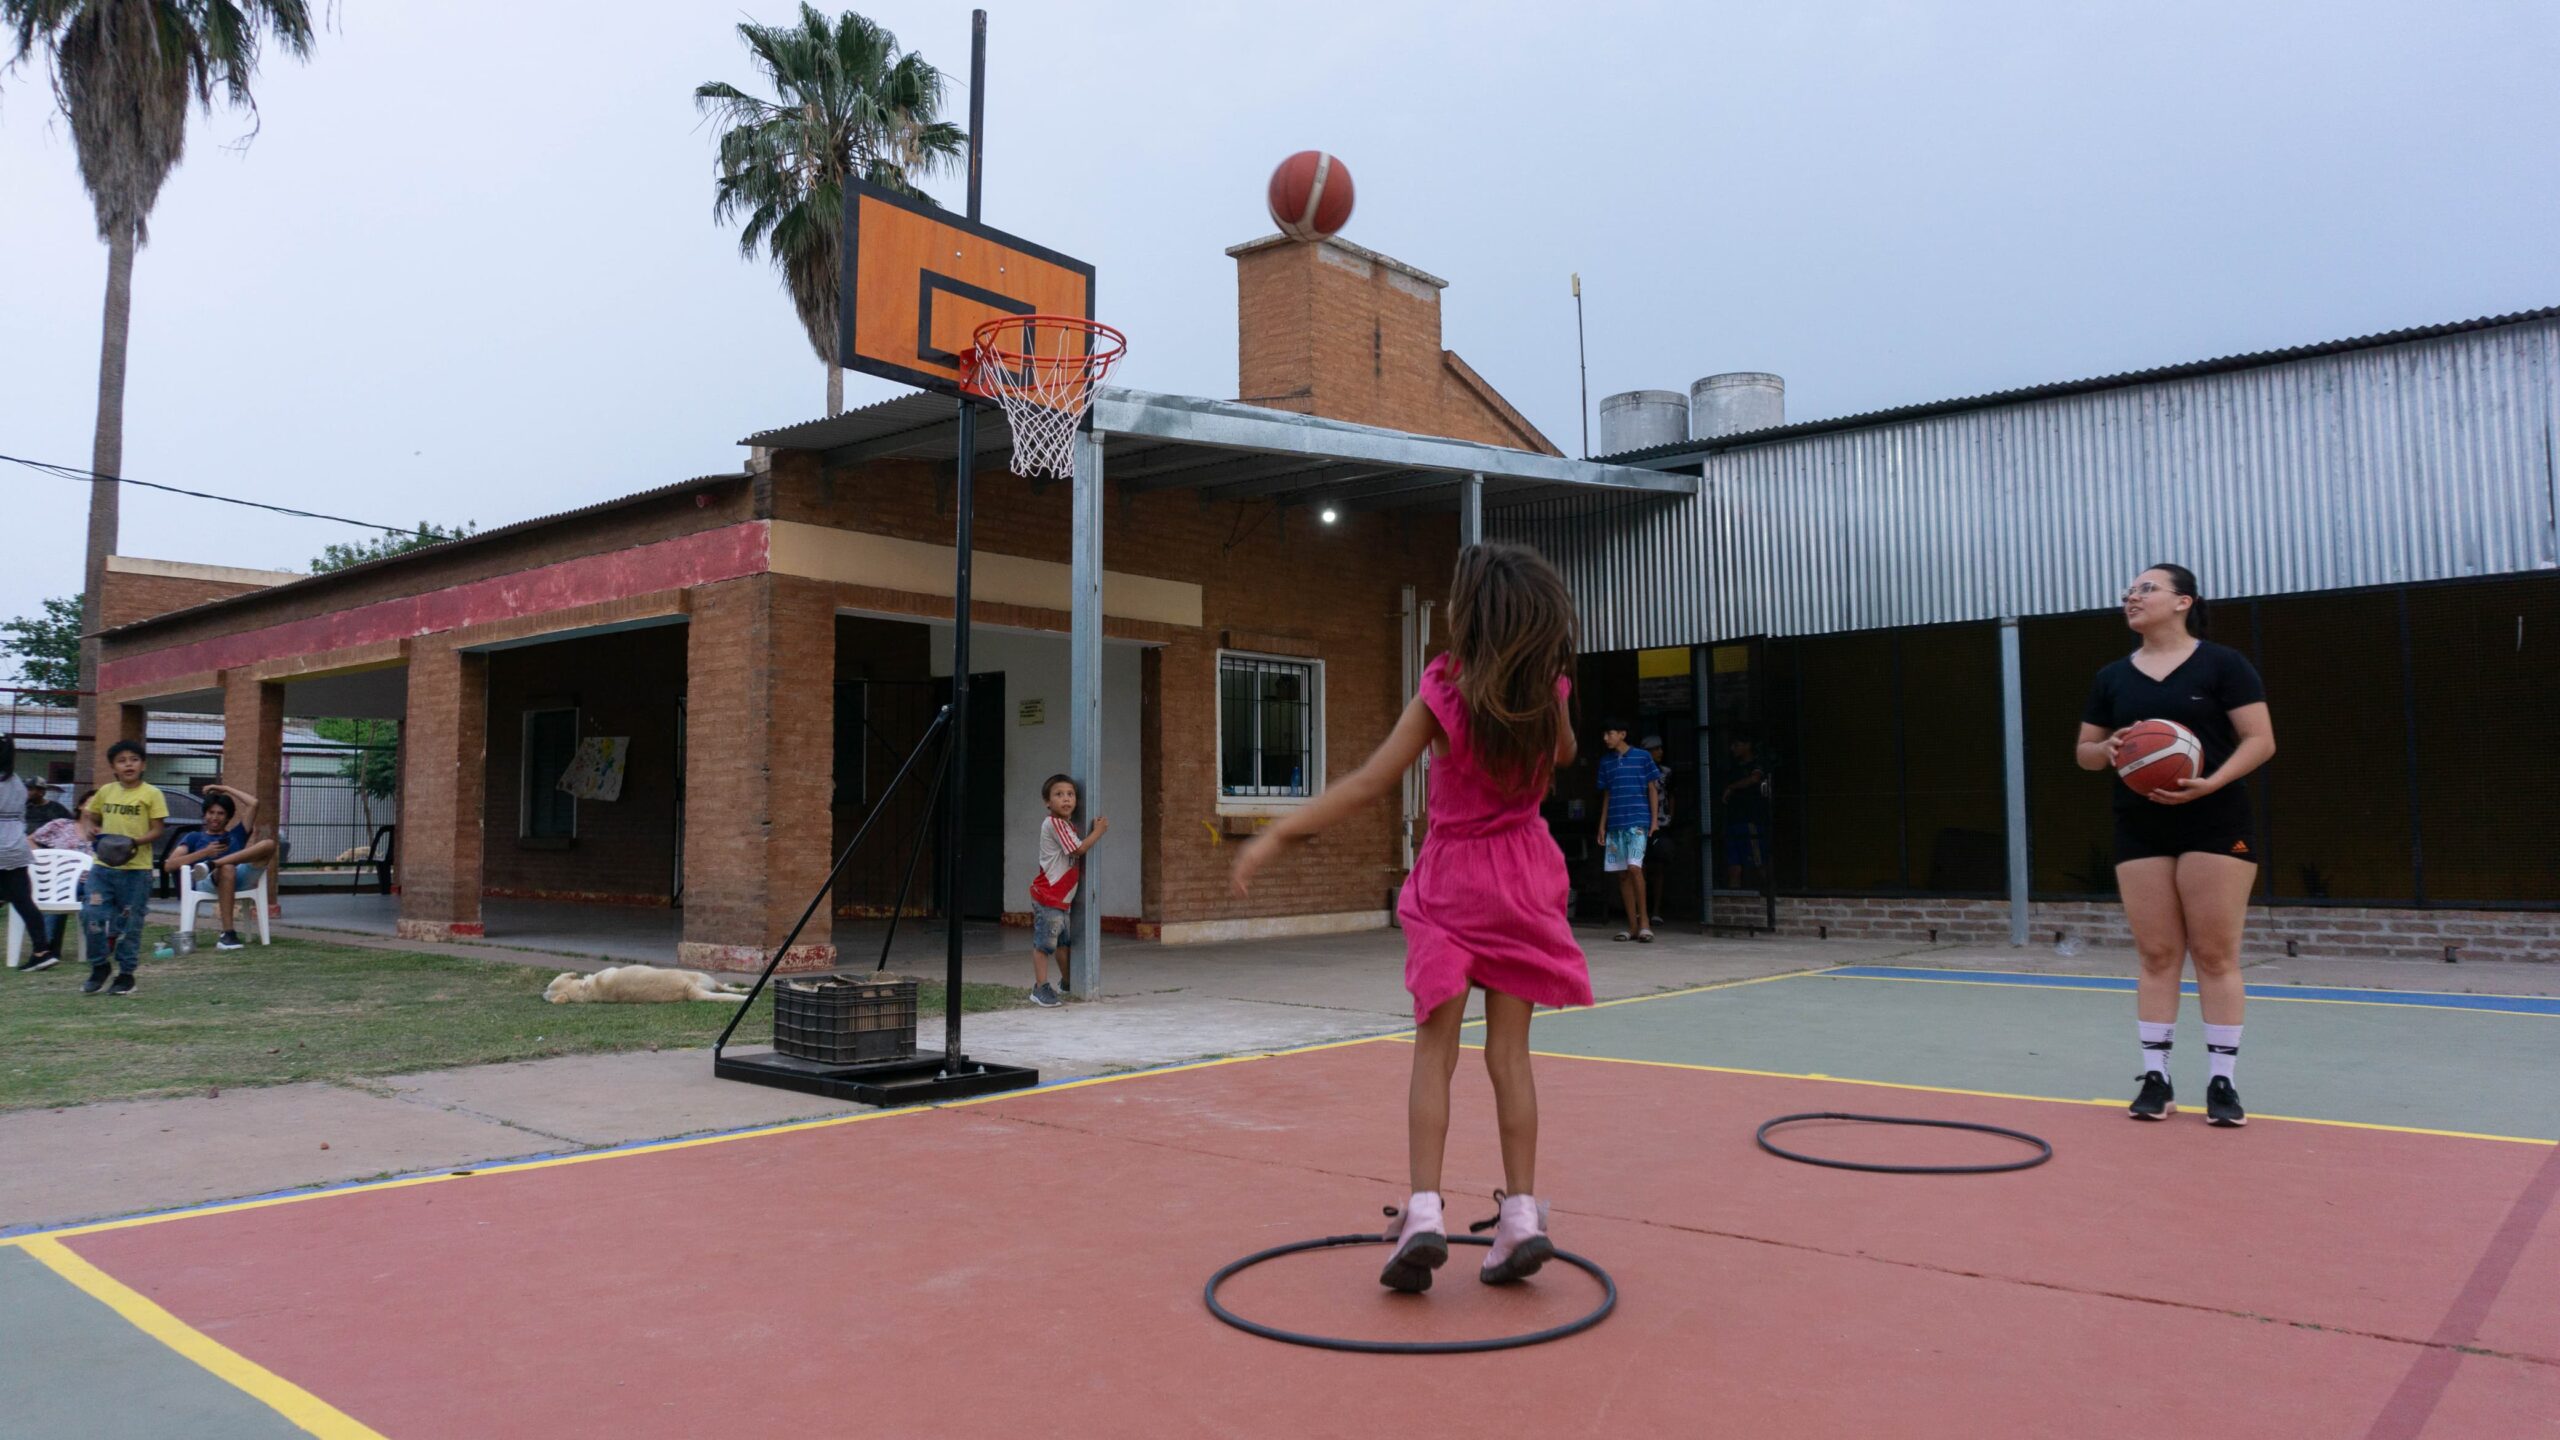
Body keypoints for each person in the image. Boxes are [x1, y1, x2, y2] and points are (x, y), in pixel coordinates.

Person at [1233, 541, 1590, 1292]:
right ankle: (1521, 1214)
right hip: (1524, 878)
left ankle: (1424, 1211)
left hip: (1456, 880)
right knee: (1511, 1057)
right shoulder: (1544, 691)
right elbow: (1564, 755)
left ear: (1473, 615)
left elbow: (1370, 781)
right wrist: (1551, 703)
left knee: (1435, 1051)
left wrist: (1278, 834)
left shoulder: (1447, 689)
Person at [2076, 563, 2276, 1128]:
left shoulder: (2223, 664)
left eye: (2145, 589)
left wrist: (2214, 780)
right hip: (2140, 825)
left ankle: (2223, 1082)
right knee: (2158, 954)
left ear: (2183, 601)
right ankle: (2156, 1078)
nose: (2131, 597)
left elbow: (2261, 739)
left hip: (2214, 819)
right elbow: (2086, 753)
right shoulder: (2113, 676)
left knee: (2215, 954)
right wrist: (2109, 747)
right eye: (2128, 591)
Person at [79, 739, 168, 996]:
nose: (128, 764)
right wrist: (92, 830)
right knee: (91, 915)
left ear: (143, 765)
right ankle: (99, 966)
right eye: (121, 760)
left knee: (130, 924)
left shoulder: (152, 794)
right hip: (102, 868)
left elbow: (157, 830)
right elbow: (90, 815)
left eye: (134, 759)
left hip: (136, 871)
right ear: (113, 767)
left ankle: (126, 975)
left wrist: (131, 843)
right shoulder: (106, 791)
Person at [1026, 774, 1107, 1008]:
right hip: (1048, 896)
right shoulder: (1054, 823)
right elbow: (1078, 849)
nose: (1066, 799)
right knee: (1044, 944)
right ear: (1047, 802)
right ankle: (1040, 987)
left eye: (1070, 794)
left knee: (1063, 942)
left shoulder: (1067, 825)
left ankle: (1067, 982)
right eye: (1059, 795)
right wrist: (1098, 831)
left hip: (1061, 899)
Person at [164, 783, 278, 950]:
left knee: (269, 844)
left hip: (239, 877)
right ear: (205, 815)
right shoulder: (194, 837)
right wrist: (204, 853)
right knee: (227, 868)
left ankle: (214, 864)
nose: (215, 817)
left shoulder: (237, 834)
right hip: (207, 881)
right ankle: (228, 934)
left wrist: (223, 788)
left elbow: (253, 803)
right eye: (211, 813)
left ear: (228, 817)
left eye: (220, 813)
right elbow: (169, 865)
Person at [1594, 718, 1662, 942]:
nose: (1606, 738)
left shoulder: (1643, 757)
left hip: (1638, 822)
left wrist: (1654, 821)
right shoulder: (1606, 762)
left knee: (1634, 868)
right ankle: (1632, 926)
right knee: (1622, 874)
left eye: (1609, 733)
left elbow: (1652, 789)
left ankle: (1645, 923)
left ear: (1622, 734)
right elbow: (1607, 795)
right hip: (1615, 824)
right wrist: (1602, 825)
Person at [0, 741, 57, 971]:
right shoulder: (16, 782)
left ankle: (42, 951)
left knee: (21, 900)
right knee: (23, 900)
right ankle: (42, 950)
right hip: (16, 846)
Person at [21, 776, 72, 962]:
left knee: (54, 901)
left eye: (32, 789)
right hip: (22, 859)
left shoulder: (56, 810)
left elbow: (69, 831)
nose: (28, 793)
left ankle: (49, 947)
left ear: (41, 791)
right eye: (27, 789)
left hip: (50, 862)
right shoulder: (22, 808)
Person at [1719, 733, 1769, 891]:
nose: (1733, 748)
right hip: (1734, 819)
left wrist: (1732, 787)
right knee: (1734, 865)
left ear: (1747, 745)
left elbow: (1755, 779)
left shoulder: (1758, 763)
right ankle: (1735, 900)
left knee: (1758, 860)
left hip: (1750, 819)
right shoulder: (1733, 767)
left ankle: (1770, 893)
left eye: (1737, 744)